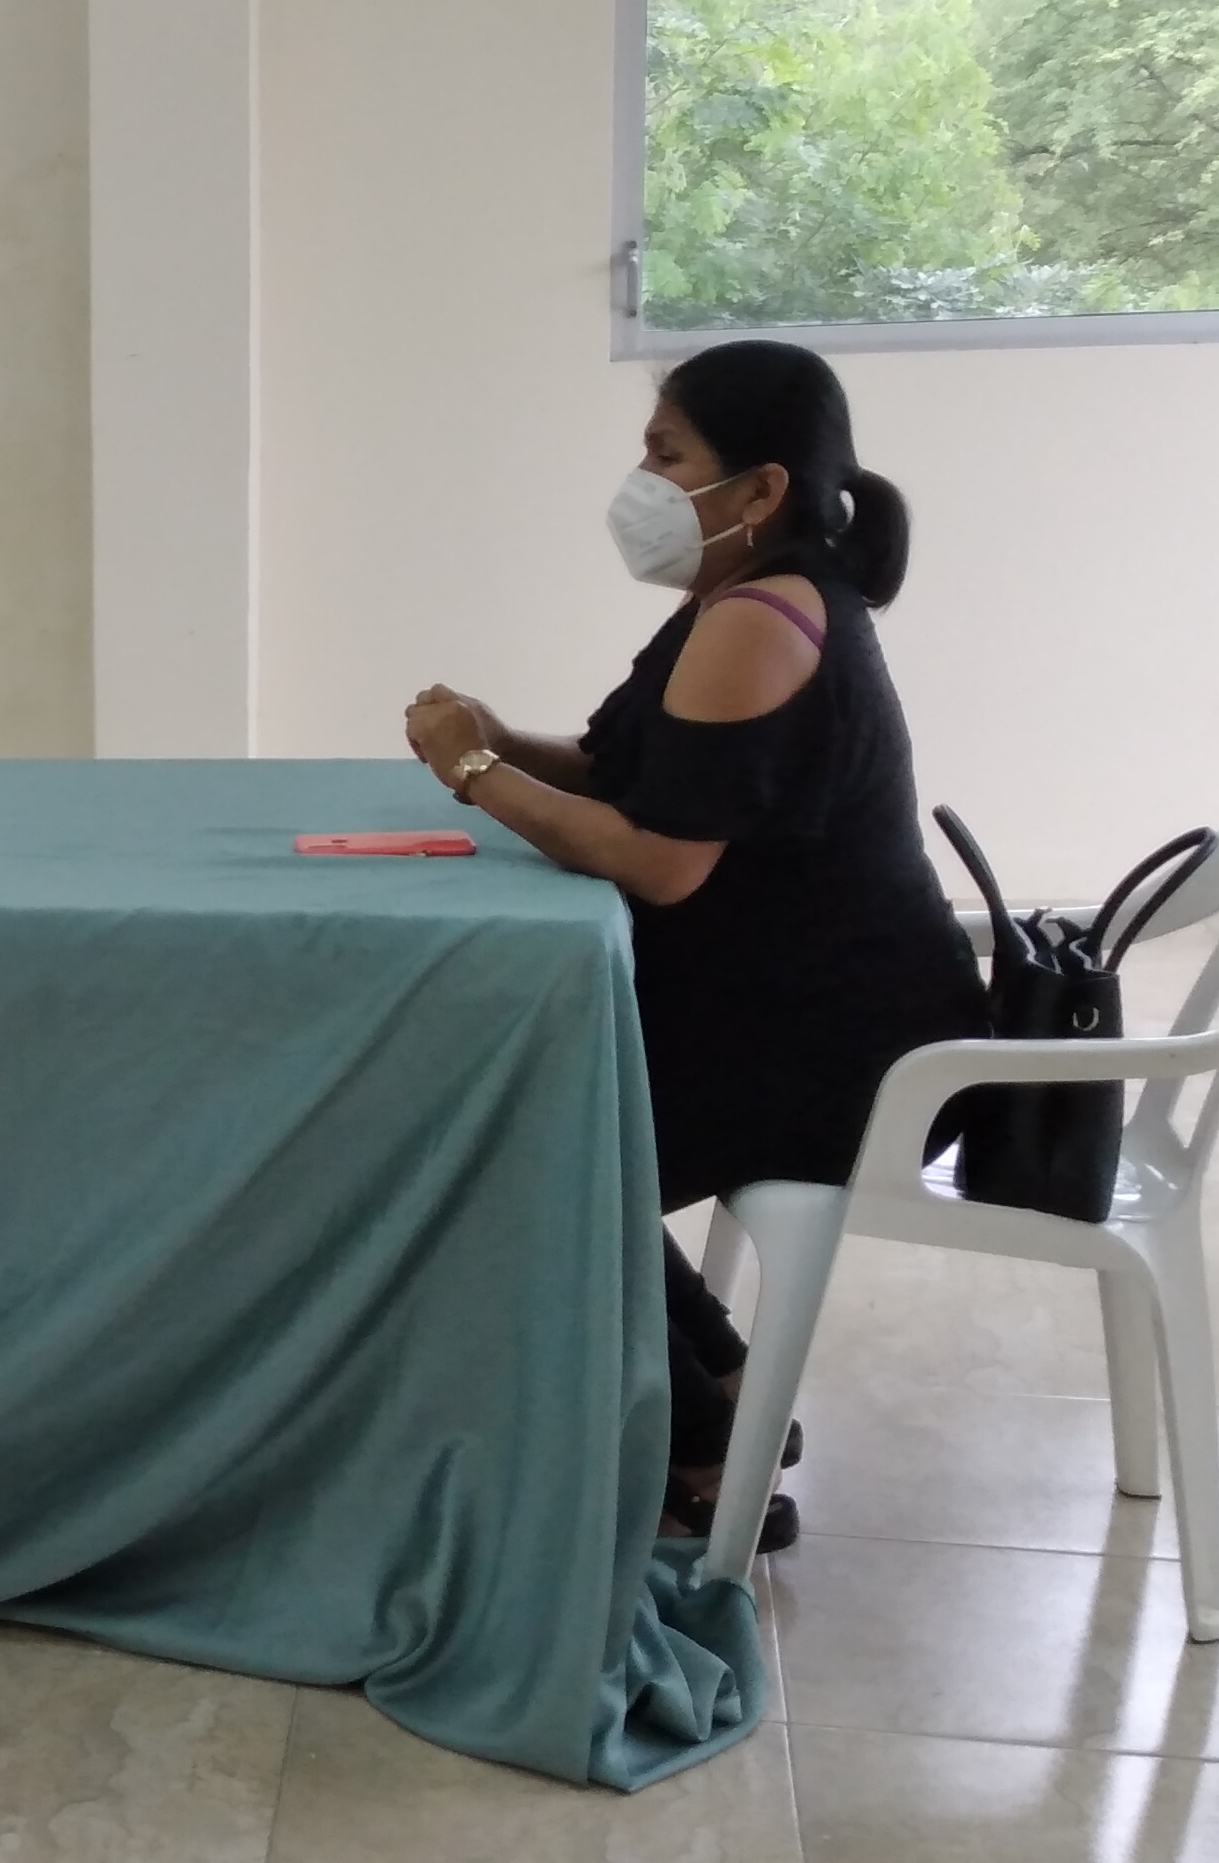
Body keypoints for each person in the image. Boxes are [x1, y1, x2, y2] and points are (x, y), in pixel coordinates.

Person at [399, 339, 981, 1553]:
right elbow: (625, 770)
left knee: (506, 1144)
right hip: (787, 1010)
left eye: (667, 456)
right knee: (513, 1103)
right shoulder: (739, 599)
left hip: (840, 1056)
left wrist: (475, 771)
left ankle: (705, 1453)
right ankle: (718, 1375)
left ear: (760, 487)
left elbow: (660, 857)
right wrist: (499, 741)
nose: (643, 484)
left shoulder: (759, 623)